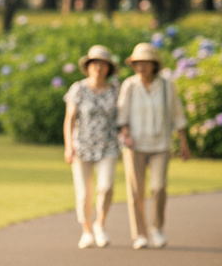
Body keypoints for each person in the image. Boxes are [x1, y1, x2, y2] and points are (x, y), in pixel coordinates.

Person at [118, 42, 190, 249]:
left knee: (158, 187)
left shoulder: (167, 86)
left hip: (160, 145)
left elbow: (178, 115)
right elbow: (121, 115)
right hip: (135, 145)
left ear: (154, 65)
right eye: (137, 63)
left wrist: (183, 142)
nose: (141, 67)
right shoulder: (129, 86)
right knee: (135, 191)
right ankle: (140, 234)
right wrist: (126, 133)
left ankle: (156, 228)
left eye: (145, 63)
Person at [63, 45, 121, 249]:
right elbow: (69, 119)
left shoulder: (115, 89)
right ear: (88, 66)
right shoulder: (78, 89)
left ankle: (100, 225)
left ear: (108, 68)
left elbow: (123, 117)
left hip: (108, 146)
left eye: (103, 64)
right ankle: (86, 230)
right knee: (83, 193)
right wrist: (69, 146)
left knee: (106, 187)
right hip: (82, 147)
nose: (98, 67)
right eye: (95, 63)